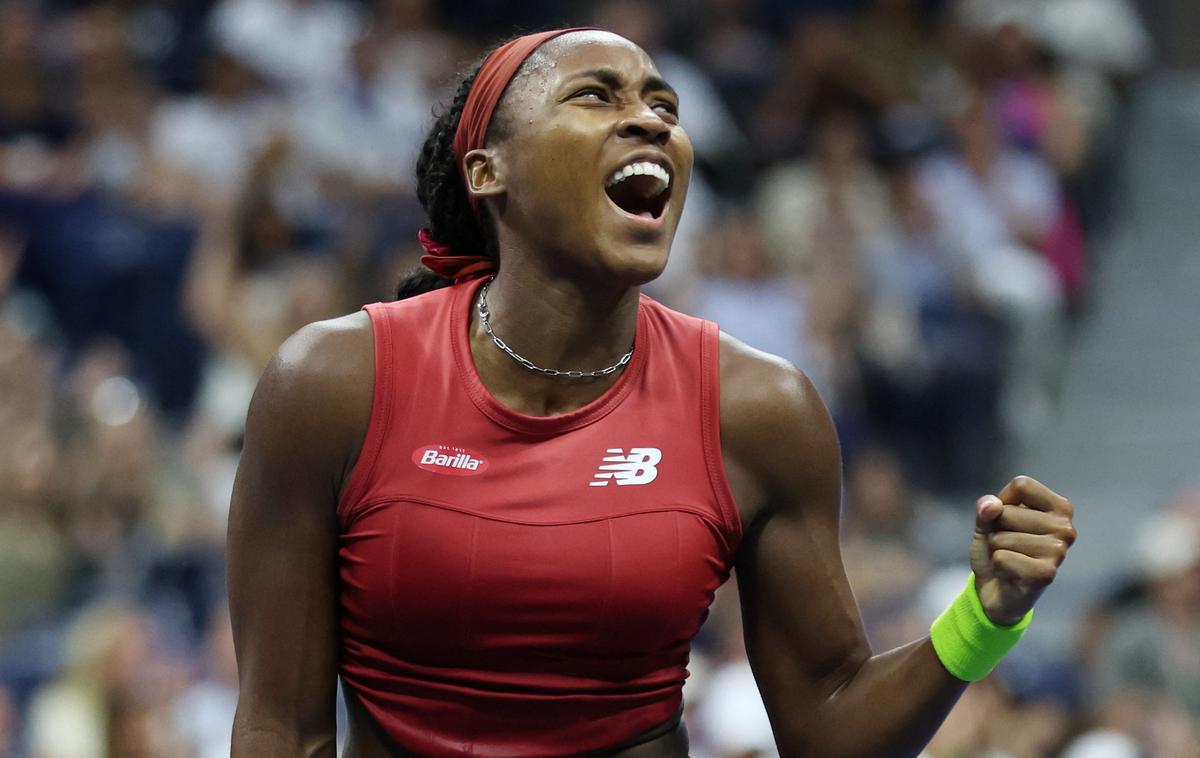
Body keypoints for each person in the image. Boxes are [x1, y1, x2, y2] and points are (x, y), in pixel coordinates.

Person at [227, 28, 1078, 757]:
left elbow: (828, 728)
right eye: (596, 97)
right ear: (490, 173)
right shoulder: (334, 384)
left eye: (666, 108)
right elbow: (279, 727)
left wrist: (986, 615)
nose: (650, 121)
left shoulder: (757, 409)